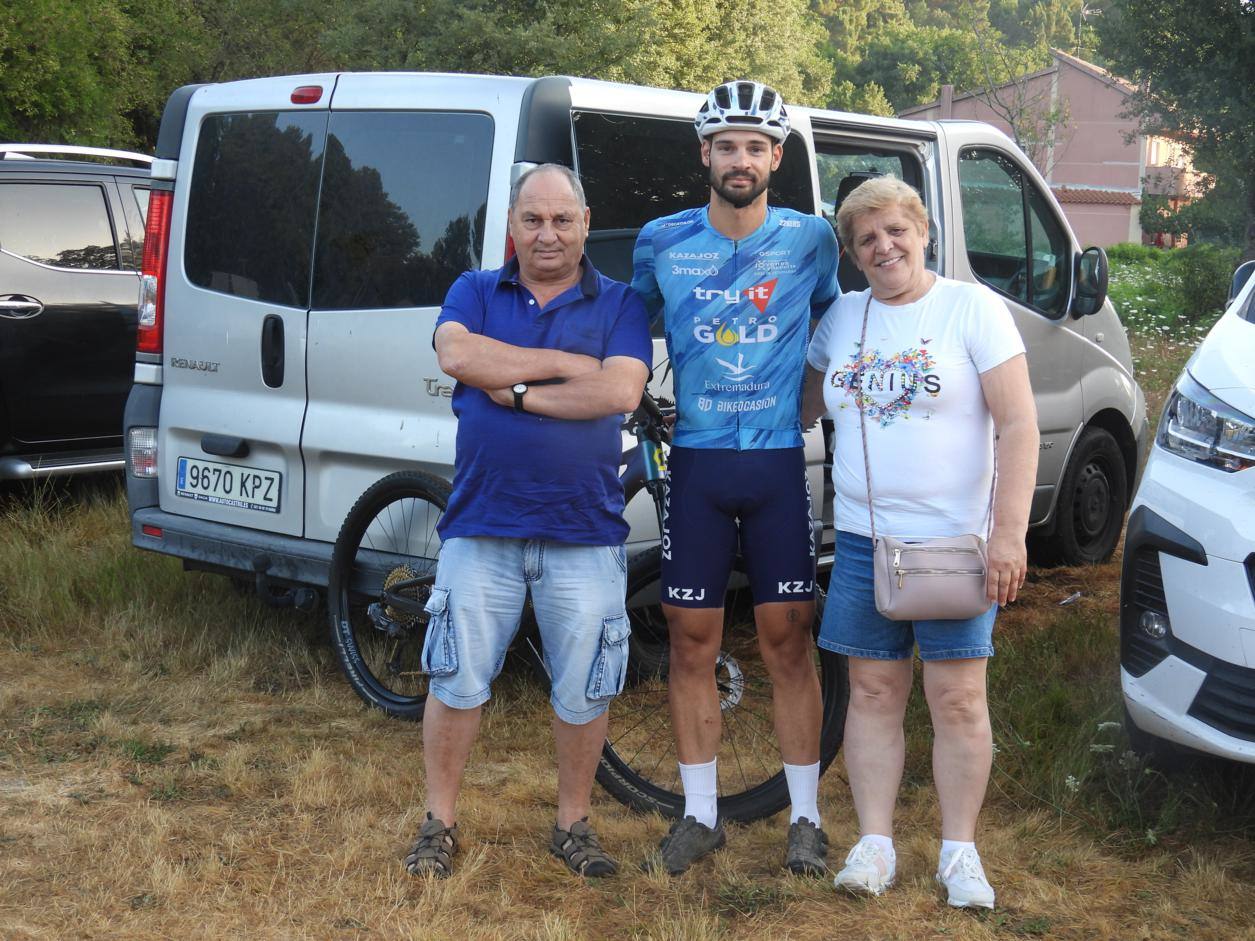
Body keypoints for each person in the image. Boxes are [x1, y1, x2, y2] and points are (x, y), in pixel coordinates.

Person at [404, 164, 652, 879]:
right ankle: (438, 822)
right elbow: (456, 352)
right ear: (511, 226)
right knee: (455, 681)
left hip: (584, 530)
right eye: (532, 220)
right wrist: (561, 364)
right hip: (482, 525)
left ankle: (572, 824)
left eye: (561, 219)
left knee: (585, 686)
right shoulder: (474, 290)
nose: (547, 233)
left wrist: (510, 390)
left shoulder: (621, 302)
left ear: (584, 221)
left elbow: (617, 389)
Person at [802, 175, 1039, 909]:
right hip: (865, 541)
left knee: (958, 699)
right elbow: (802, 404)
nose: (883, 246)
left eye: (895, 230)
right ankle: (873, 843)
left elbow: (1018, 424)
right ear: (851, 252)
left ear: (923, 231)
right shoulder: (841, 318)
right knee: (872, 691)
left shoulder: (972, 308)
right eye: (866, 238)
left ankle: (958, 851)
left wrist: (1007, 534)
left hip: (954, 546)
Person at [631, 80, 839, 876]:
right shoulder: (661, 240)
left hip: (778, 463)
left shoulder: (809, 239)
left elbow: (833, 324)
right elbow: (625, 324)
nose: (740, 158)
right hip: (700, 463)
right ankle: (698, 814)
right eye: (726, 145)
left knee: (788, 639)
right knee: (690, 641)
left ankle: (806, 820)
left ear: (776, 157)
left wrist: (812, 406)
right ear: (705, 156)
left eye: (756, 145)